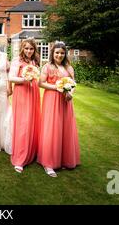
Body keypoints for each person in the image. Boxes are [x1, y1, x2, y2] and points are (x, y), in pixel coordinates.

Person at [37, 41, 80, 177]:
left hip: (66, 101)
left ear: (65, 54)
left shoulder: (69, 68)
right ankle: (49, 163)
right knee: (52, 129)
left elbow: (73, 84)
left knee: (65, 129)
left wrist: (70, 93)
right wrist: (57, 87)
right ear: (52, 53)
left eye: (62, 53)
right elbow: (41, 83)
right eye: (57, 52)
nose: (59, 55)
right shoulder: (47, 67)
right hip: (52, 100)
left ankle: (64, 160)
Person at [8, 38, 41, 173]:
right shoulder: (17, 61)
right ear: (22, 48)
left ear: (34, 50)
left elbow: (38, 77)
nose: (29, 51)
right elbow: (11, 77)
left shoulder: (35, 61)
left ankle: (31, 152)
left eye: (31, 49)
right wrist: (24, 79)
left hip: (33, 92)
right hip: (21, 93)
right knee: (23, 124)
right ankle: (20, 157)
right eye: (26, 48)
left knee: (33, 122)